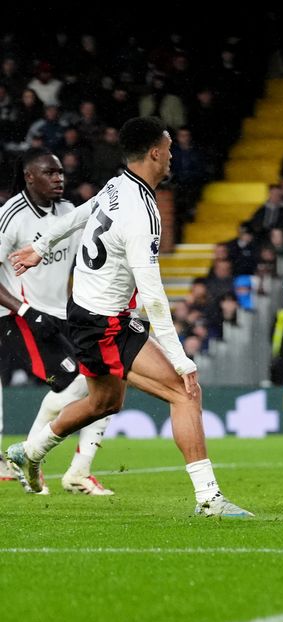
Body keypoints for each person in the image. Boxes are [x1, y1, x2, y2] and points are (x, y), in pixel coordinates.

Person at [6, 116, 252, 517]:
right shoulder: (143, 211)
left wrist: (40, 244)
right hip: (106, 321)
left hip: (85, 312)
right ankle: (209, 499)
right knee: (185, 391)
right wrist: (179, 356)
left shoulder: (118, 184)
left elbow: (79, 214)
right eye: (169, 150)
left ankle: (28, 451)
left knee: (103, 402)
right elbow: (153, 297)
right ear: (155, 152)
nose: (172, 157)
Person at [0, 148, 113, 495]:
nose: (58, 178)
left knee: (105, 382)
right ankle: (29, 453)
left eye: (61, 172)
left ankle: (79, 471)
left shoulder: (68, 213)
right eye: (49, 173)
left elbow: (86, 260)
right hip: (20, 317)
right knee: (73, 384)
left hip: (63, 314)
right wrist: (24, 311)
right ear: (29, 177)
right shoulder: (11, 216)